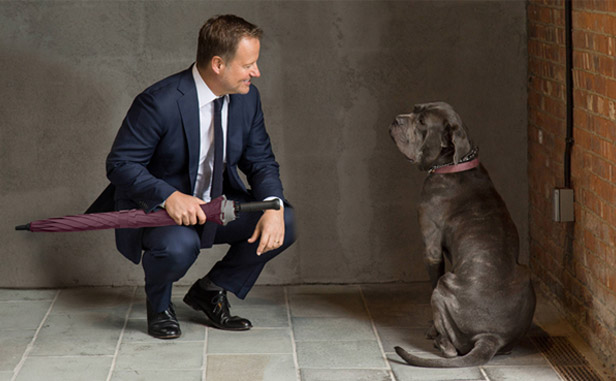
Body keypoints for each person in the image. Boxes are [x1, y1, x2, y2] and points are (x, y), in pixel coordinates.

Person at [87, 14, 295, 339]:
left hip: (218, 206)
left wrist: (273, 207)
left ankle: (211, 291)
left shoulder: (247, 98)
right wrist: (169, 196)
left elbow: (261, 162)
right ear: (218, 64)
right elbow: (121, 164)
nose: (257, 72)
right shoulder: (158, 102)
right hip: (162, 211)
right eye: (248, 64)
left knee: (286, 218)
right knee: (178, 246)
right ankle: (159, 306)